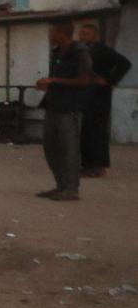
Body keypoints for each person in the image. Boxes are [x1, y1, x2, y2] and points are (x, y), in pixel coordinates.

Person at [36, 21, 95, 202]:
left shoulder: (79, 52)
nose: (50, 35)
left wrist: (54, 81)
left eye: (52, 32)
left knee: (69, 149)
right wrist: (48, 84)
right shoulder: (57, 53)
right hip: (54, 105)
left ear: (61, 32)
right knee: (51, 147)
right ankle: (61, 185)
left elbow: (84, 80)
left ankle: (71, 189)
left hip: (70, 108)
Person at [76, 20, 131, 178]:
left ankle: (99, 166)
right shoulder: (83, 51)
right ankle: (87, 165)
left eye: (85, 34)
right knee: (86, 130)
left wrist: (109, 81)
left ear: (95, 35)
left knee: (97, 130)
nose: (82, 36)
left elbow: (125, 64)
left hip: (100, 95)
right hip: (86, 94)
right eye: (81, 34)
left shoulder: (103, 50)